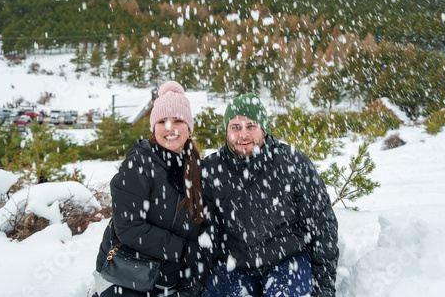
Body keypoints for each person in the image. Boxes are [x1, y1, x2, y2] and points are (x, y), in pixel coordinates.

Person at [201, 93, 339, 297]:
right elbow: (205, 231)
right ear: (227, 131)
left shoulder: (292, 162)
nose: (243, 134)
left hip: (287, 261)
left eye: (251, 126)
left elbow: (321, 225)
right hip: (235, 266)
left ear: (264, 130)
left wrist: (325, 287)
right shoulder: (211, 169)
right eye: (236, 127)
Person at [91, 81, 215, 297]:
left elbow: (202, 233)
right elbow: (130, 229)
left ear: (189, 128)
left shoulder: (197, 172)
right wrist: (183, 250)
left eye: (178, 120)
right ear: (153, 128)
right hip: (128, 274)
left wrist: (193, 282)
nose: (170, 128)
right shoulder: (138, 166)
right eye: (162, 121)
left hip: (171, 279)